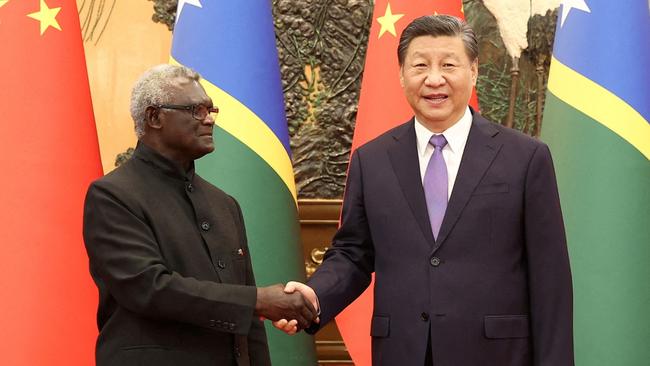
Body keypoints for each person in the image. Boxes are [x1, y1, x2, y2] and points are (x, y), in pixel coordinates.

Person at [276, 15, 574, 366]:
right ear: (402, 75)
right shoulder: (372, 160)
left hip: (497, 354)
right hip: (404, 351)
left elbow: (550, 281)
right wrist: (315, 295)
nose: (435, 79)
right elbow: (353, 253)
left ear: (474, 71)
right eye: (420, 65)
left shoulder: (525, 158)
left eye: (449, 64)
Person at [83, 64, 317, 366]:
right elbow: (149, 288)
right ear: (154, 117)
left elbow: (251, 325)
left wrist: (255, 305)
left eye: (211, 110)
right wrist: (258, 300)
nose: (209, 120)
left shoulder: (224, 204)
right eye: (195, 110)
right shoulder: (112, 195)